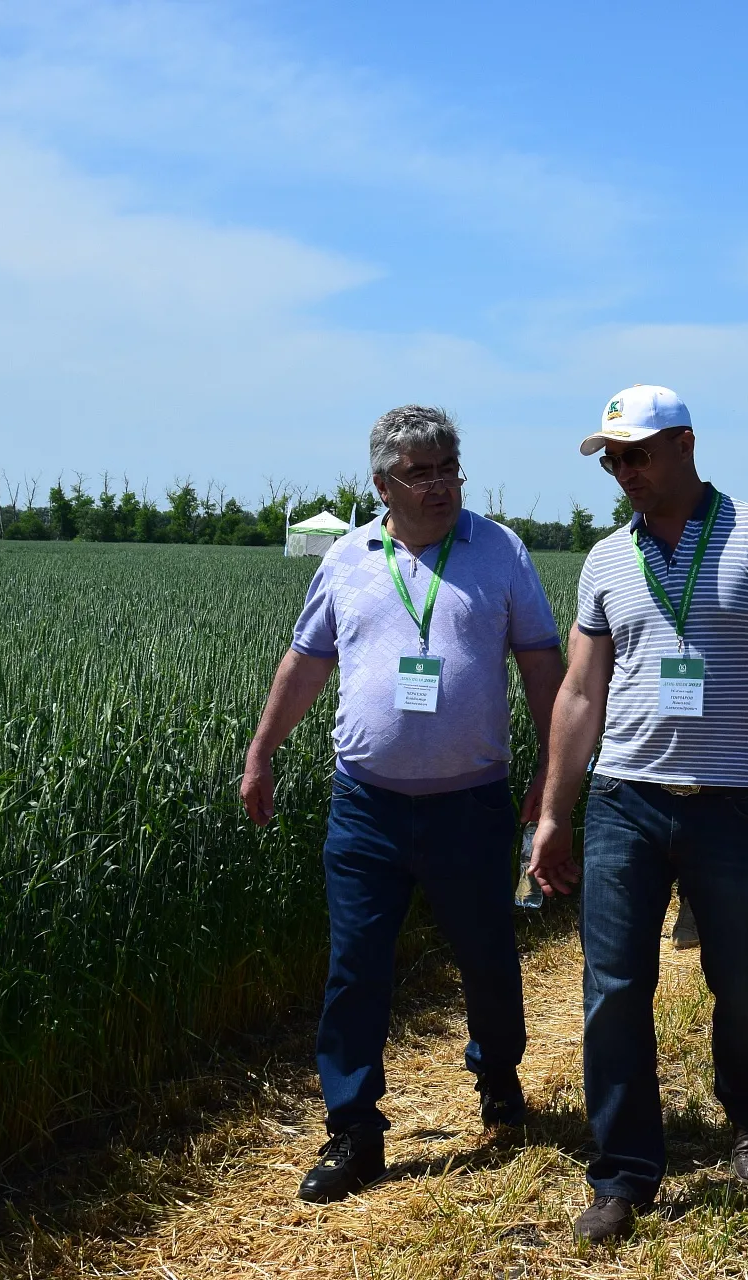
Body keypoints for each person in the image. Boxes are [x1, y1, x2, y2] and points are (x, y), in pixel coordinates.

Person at [528, 384, 748, 1244]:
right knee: (613, 987)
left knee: (744, 979)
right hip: (624, 800)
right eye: (612, 461)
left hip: (731, 801)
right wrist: (554, 812)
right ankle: (624, 1172)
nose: (624, 472)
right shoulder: (606, 560)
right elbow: (580, 693)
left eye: (636, 454)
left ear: (685, 444)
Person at [240, 405, 565, 1203]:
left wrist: (554, 773)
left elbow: (541, 665)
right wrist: (262, 751)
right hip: (366, 806)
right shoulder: (347, 558)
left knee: (487, 956)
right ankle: (354, 1129)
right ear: (382, 484)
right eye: (421, 472)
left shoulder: (500, 550)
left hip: (470, 805)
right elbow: (306, 663)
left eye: (449, 467)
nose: (441, 484)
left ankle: (497, 1074)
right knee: (356, 968)